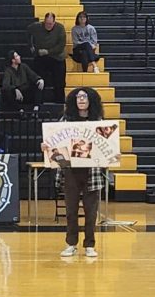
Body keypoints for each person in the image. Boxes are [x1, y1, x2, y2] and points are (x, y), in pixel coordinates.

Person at [46, 87, 108, 258]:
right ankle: (71, 243)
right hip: (70, 170)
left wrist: (113, 153)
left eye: (84, 97)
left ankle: (89, 245)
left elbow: (108, 146)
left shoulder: (99, 121)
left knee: (91, 211)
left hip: (92, 171)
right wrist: (46, 146)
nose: (81, 100)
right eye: (78, 97)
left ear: (91, 101)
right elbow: (52, 141)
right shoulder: (65, 120)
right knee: (71, 210)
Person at [28, 13, 66, 103]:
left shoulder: (60, 28)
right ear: (44, 21)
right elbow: (28, 32)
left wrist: (48, 51)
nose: (48, 26)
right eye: (46, 23)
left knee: (60, 80)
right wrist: (31, 46)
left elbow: (61, 46)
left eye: (50, 24)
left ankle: (59, 101)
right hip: (42, 57)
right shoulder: (36, 27)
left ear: (54, 22)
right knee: (38, 77)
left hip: (57, 57)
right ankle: (38, 100)